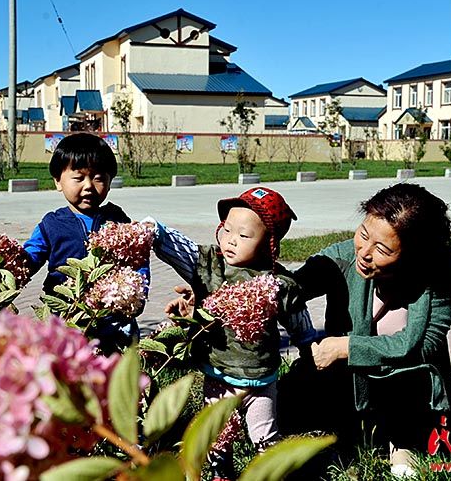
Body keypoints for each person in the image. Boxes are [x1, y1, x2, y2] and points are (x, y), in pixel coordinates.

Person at [276, 182, 451, 478]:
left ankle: (403, 444)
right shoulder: (342, 257)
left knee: (408, 386)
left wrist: (346, 347)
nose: (365, 252)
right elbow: (290, 289)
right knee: (281, 403)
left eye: (383, 249)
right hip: (348, 379)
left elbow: (427, 345)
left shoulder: (439, 269)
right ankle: (349, 430)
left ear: (413, 255)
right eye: (363, 234)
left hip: (408, 384)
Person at [146, 187, 314, 481]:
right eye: (226, 230)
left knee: (264, 434)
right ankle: (220, 472)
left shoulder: (277, 283)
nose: (231, 240)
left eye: (244, 235)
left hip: (260, 381)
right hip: (219, 375)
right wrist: (156, 232)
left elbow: (298, 317)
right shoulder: (211, 265)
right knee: (217, 435)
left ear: (268, 245)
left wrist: (308, 344)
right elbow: (184, 250)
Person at [23, 133, 149, 353]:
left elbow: (138, 262)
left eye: (98, 178)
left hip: (111, 317)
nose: (89, 186)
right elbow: (29, 257)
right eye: (78, 178)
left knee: (116, 364)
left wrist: (137, 292)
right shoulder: (51, 224)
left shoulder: (119, 220)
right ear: (58, 181)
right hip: (65, 314)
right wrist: (8, 266)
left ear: (110, 181)